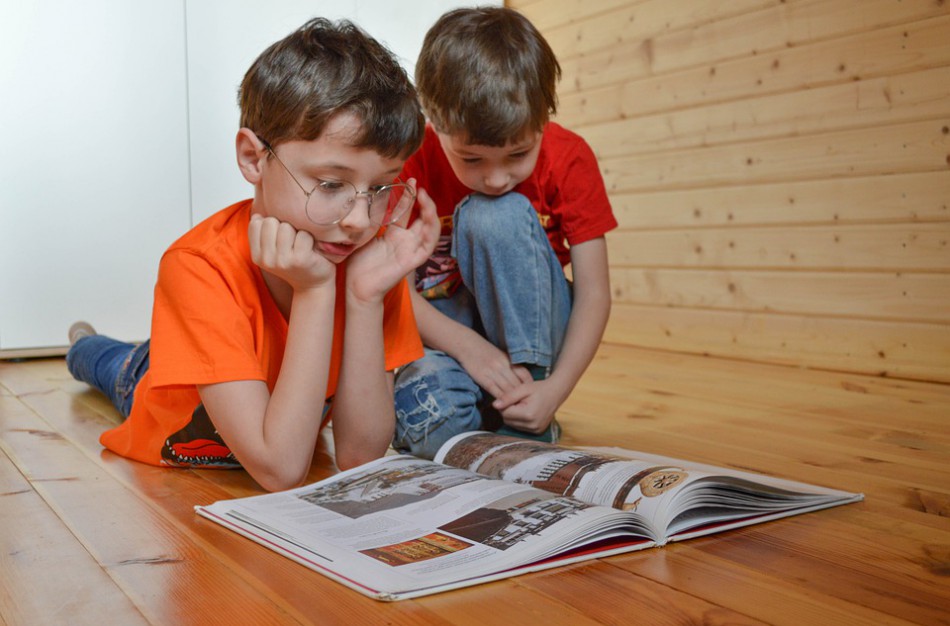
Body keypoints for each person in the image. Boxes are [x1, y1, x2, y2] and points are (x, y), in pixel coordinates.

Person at [66, 17, 439, 492]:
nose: (360, 221)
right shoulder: (196, 266)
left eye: (382, 186)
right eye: (330, 184)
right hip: (156, 383)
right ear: (252, 158)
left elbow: (360, 456)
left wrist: (363, 299)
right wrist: (315, 291)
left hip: (230, 364)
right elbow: (281, 470)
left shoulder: (367, 263)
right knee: (109, 362)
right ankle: (83, 340)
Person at [391, 7, 617, 459]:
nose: (496, 178)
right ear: (432, 121)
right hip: (446, 338)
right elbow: (390, 292)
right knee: (431, 426)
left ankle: (525, 407)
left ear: (543, 119)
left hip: (529, 349)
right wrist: (468, 348)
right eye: (471, 159)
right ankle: (491, 419)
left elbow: (594, 294)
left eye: (519, 154)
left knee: (494, 214)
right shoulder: (409, 161)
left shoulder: (570, 157)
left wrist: (554, 390)